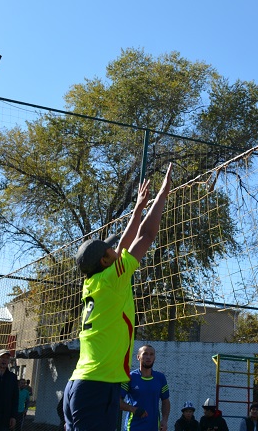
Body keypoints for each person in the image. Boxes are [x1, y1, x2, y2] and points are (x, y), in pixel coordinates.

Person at [63, 165, 173, 431]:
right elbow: (146, 236)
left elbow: (124, 243)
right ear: (104, 261)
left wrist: (138, 208)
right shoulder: (113, 279)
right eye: (109, 250)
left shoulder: (93, 281)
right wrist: (162, 196)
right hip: (96, 387)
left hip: (80, 383)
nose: (115, 249)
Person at [121, 345, 170, 431]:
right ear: (138, 357)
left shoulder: (160, 378)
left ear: (154, 358)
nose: (148, 357)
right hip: (133, 427)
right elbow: (117, 401)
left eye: (151, 354)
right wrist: (133, 409)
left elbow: (165, 401)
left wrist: (165, 420)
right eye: (145, 354)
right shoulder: (129, 377)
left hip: (154, 427)